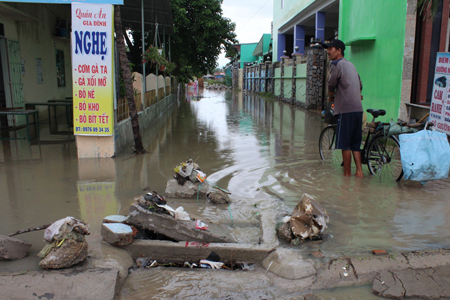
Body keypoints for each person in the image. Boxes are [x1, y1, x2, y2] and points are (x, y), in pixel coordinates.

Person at [323, 39, 363, 177]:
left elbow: (331, 84)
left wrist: (330, 97)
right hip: (358, 110)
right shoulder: (351, 65)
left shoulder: (336, 64)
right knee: (355, 145)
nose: (328, 52)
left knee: (345, 145)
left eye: (330, 49)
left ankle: (347, 175)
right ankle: (359, 172)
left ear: (339, 50)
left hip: (346, 111)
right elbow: (360, 85)